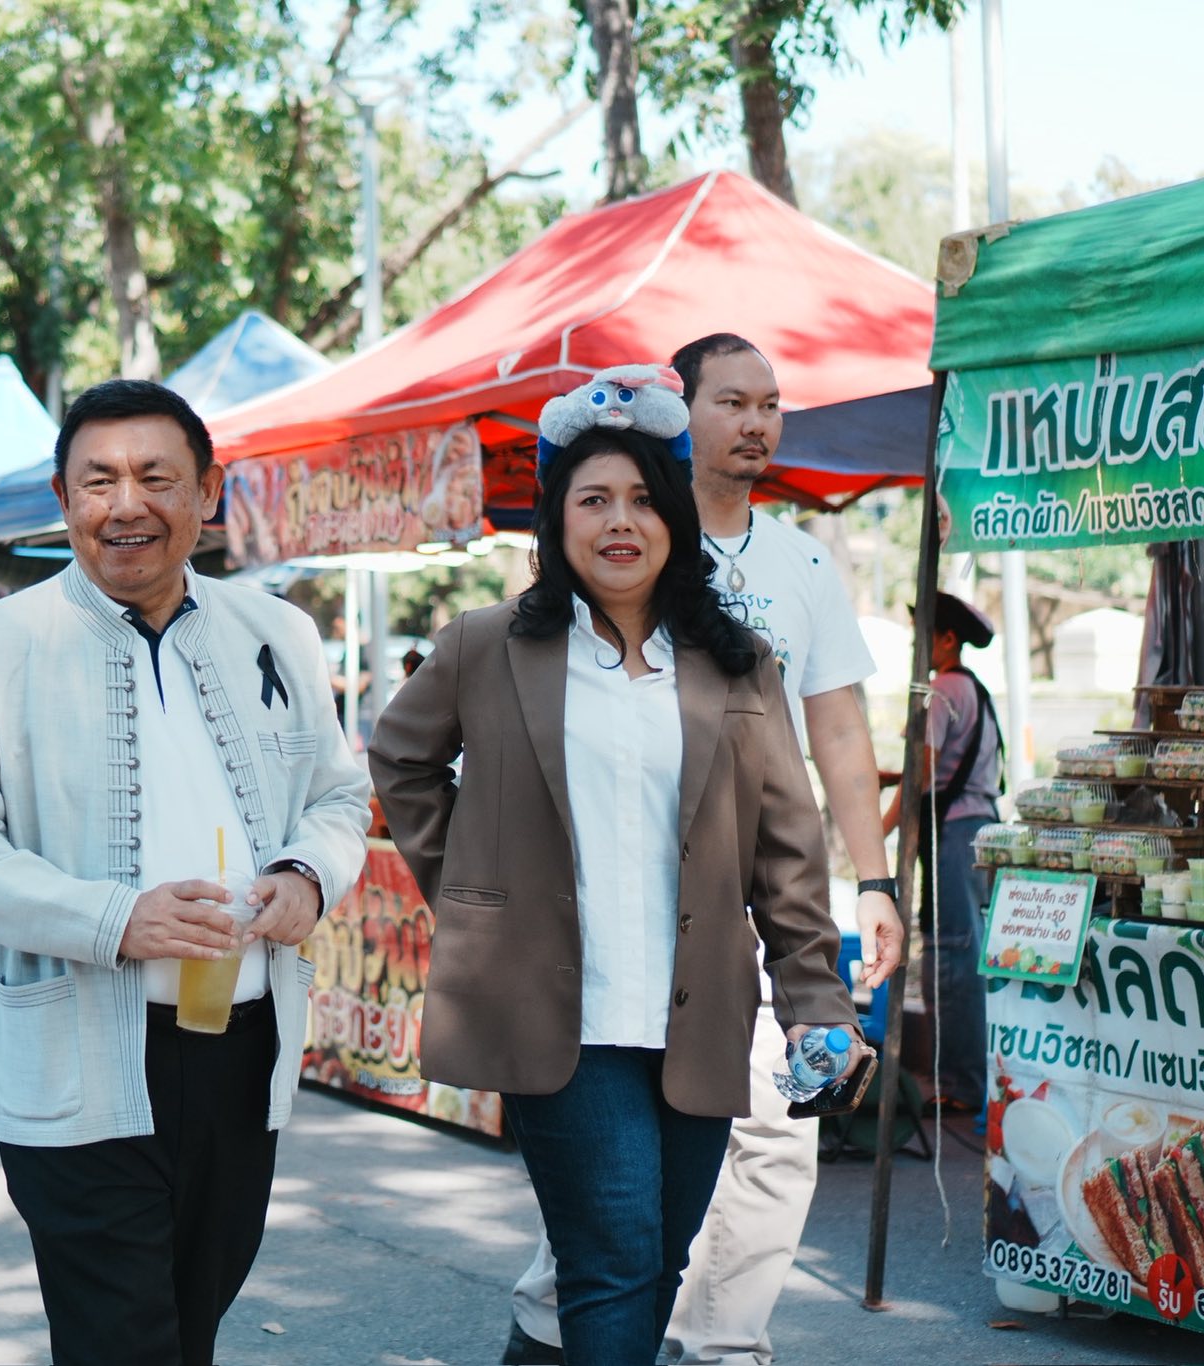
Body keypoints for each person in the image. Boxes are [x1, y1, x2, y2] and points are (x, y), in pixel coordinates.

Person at [370, 376, 864, 1366]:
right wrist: (477, 901)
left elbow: (787, 846)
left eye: (640, 499)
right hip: (563, 1023)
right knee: (612, 1257)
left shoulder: (738, 662)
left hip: (698, 1018)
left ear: (673, 514)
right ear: (555, 519)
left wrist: (816, 997)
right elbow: (400, 759)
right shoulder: (487, 644)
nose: (619, 522)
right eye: (591, 499)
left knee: (658, 1259)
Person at [0, 379, 371, 1366]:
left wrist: (304, 877)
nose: (126, 505)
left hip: (240, 1053)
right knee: (123, 1335)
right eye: (98, 481)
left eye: (156, 477)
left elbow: (338, 796)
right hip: (74, 1051)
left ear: (207, 492)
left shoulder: (275, 633)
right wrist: (115, 917)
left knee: (189, 1319)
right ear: (63, 499)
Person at [506, 335, 909, 1366]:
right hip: (623, 923)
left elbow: (839, 733)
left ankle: (723, 1347)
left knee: (777, 1138)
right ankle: (558, 1326)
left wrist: (869, 880)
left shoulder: (802, 564)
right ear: (676, 417)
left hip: (757, 907)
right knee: (617, 1198)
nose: (757, 421)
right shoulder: (620, 546)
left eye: (771, 402)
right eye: (731, 400)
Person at [882, 591, 1000, 1112]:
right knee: (962, 950)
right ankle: (963, 1080)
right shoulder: (973, 689)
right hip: (976, 827)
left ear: (947, 639)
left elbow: (921, 773)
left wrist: (881, 829)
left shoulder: (941, 689)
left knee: (952, 956)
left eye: (921, 635)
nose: (915, 646)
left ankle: (959, 1086)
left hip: (953, 833)